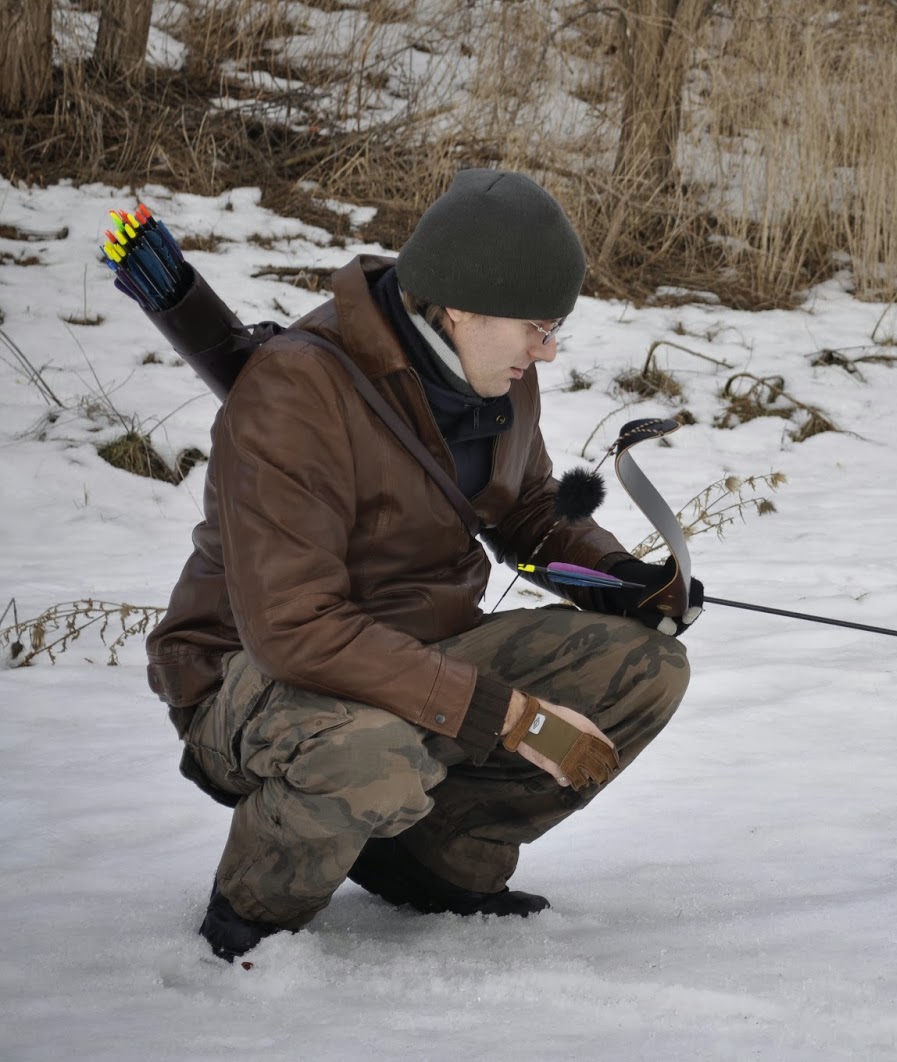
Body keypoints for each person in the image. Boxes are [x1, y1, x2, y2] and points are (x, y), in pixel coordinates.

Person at [146, 169, 700, 962]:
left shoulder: (502, 374)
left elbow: (527, 510)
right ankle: (256, 917)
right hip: (250, 679)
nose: (548, 350)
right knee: (373, 751)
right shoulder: (294, 392)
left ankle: (435, 860)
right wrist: (505, 714)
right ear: (463, 307)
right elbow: (294, 628)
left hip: (415, 652)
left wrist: (626, 582)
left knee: (645, 670)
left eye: (556, 328)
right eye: (537, 326)